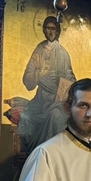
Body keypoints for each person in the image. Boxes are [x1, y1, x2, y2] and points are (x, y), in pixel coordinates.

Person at [17, 15, 76, 155]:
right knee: (26, 117)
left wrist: (66, 86)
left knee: (55, 116)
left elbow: (70, 77)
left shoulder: (63, 53)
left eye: (53, 29)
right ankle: (33, 155)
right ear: (44, 30)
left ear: (58, 31)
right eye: (48, 28)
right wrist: (39, 72)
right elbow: (28, 80)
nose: (50, 31)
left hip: (57, 100)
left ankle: (51, 155)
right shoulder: (39, 49)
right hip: (40, 99)